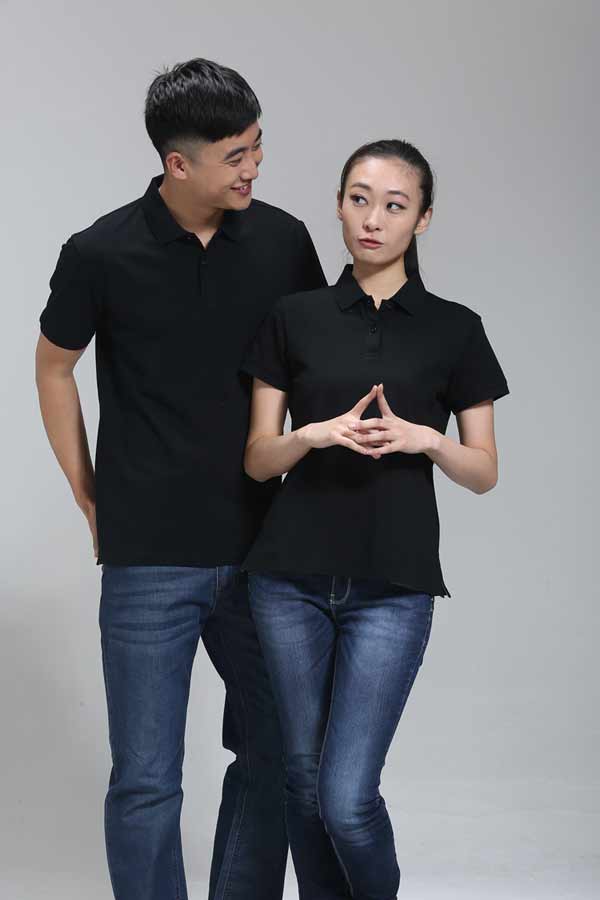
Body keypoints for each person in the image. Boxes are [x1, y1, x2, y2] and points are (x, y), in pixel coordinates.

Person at [35, 58, 326, 900]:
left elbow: (317, 361)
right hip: (149, 558)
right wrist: (87, 492)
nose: (254, 167)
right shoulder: (100, 252)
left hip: (266, 552)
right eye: (236, 155)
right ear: (178, 163)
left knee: (277, 752)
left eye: (258, 146)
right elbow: (53, 367)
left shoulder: (283, 241)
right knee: (146, 781)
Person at [239, 138, 510, 899]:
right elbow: (258, 459)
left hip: (393, 586)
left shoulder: (456, 328)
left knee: (346, 799)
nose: (373, 219)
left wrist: (428, 440)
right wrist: (312, 434)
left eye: (395, 205)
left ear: (423, 219)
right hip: (287, 580)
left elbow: (484, 472)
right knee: (301, 785)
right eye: (359, 199)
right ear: (338, 204)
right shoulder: (294, 317)